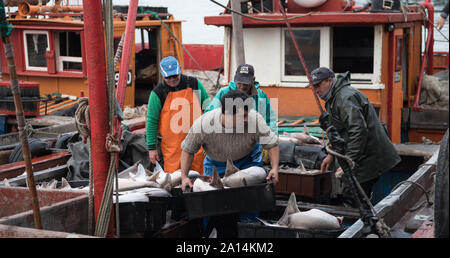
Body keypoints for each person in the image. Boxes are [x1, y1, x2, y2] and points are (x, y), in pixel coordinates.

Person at [179, 90, 279, 237]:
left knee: (249, 202)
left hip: (246, 164)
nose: (246, 119)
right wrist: (184, 176)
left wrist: (275, 168)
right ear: (226, 112)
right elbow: (188, 150)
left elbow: (272, 144)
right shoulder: (205, 123)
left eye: (247, 114)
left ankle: (249, 231)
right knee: (209, 205)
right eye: (242, 116)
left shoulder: (254, 119)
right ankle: (208, 234)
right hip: (214, 164)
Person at [311, 67, 401, 207]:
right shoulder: (333, 98)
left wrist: (349, 159)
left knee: (354, 196)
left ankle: (358, 225)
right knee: (353, 193)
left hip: (369, 156)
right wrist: (331, 154)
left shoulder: (345, 97)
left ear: (329, 80)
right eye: (313, 87)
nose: (316, 90)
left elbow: (358, 130)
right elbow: (339, 131)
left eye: (318, 85)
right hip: (362, 154)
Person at [146, 56, 211, 173]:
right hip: (173, 150)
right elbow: (152, 121)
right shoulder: (157, 93)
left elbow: (207, 107)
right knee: (174, 180)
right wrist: (151, 148)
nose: (172, 79)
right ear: (162, 75)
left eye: (175, 75)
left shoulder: (194, 83)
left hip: (197, 144)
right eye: (168, 77)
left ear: (180, 70)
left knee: (200, 177)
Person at [205, 64, 277, 134]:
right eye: (239, 83)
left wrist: (272, 139)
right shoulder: (224, 92)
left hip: (254, 139)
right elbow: (209, 116)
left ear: (253, 80)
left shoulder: (261, 95)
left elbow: (270, 120)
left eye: (245, 83)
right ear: (235, 79)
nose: (242, 87)